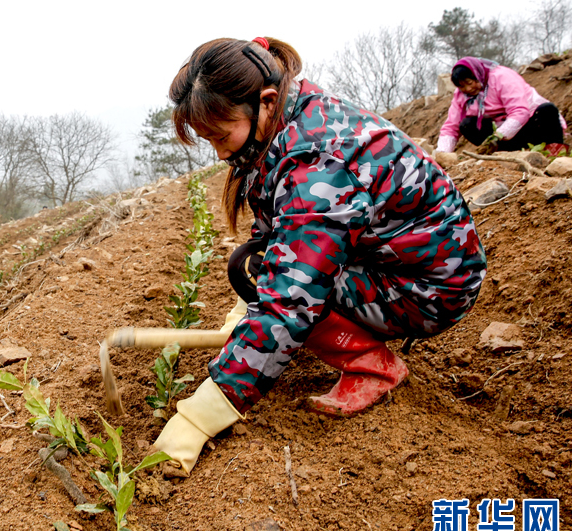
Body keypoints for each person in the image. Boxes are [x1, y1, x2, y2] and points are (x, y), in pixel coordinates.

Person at [153, 37, 487, 475]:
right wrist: (244, 314)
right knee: (252, 267)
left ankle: (373, 367)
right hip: (393, 263)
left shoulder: (318, 162)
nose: (220, 152)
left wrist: (197, 419)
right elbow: (276, 237)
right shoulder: (293, 117)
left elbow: (291, 298)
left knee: (294, 292)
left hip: (432, 287)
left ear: (266, 102)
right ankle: (337, 338)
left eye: (220, 135)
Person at [436, 57, 567, 155]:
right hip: (503, 134)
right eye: (462, 86)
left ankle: (555, 156)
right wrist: (442, 155)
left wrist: (498, 136)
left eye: (469, 83)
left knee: (547, 110)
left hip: (530, 123)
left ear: (477, 75)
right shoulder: (461, 95)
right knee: (467, 124)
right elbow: (451, 127)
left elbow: (520, 111)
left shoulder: (502, 78)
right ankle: (502, 155)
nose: (468, 89)